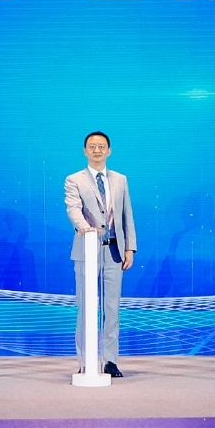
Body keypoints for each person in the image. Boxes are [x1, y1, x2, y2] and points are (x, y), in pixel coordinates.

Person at [64, 131, 137, 378]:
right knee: (86, 308)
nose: (97, 150)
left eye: (101, 146)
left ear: (109, 151)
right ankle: (86, 362)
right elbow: (73, 209)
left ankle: (110, 360)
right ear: (85, 150)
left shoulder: (120, 179)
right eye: (92, 146)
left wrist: (130, 247)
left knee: (112, 309)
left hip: (114, 251)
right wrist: (84, 228)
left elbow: (127, 214)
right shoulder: (74, 179)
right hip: (86, 250)